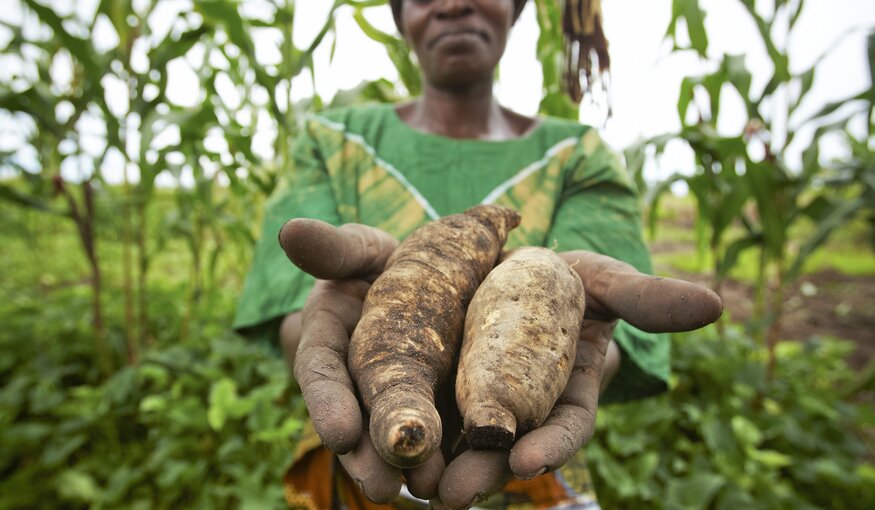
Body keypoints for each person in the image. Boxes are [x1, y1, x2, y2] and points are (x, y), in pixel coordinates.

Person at [233, 1, 722, 508]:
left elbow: (594, 325)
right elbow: (294, 316)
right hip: (361, 466)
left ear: (515, 9)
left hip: (526, 471)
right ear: (400, 16)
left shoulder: (579, 154)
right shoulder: (330, 140)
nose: (452, 3)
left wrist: (551, 353)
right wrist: (339, 312)